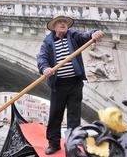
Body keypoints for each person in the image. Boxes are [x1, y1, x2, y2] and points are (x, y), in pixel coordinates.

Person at [36, 14, 104, 155]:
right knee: (55, 114)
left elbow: (86, 36)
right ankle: (54, 144)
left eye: (65, 22)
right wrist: (45, 68)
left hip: (75, 83)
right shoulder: (47, 42)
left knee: (74, 115)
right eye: (59, 22)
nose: (63, 24)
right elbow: (42, 57)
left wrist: (94, 33)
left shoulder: (73, 36)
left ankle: (72, 145)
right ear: (54, 26)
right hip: (58, 84)